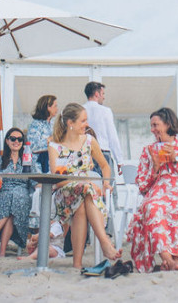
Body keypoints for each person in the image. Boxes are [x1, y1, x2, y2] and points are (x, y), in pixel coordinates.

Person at [127, 108, 178, 272]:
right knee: (152, 208)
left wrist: (176, 158)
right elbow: (142, 185)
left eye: (155, 125)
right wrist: (155, 168)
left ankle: (175, 260)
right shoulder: (148, 150)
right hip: (159, 190)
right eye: (151, 126)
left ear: (168, 124)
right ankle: (169, 259)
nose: (152, 130)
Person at [49, 102, 122, 269]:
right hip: (64, 194)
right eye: (83, 121)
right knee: (87, 189)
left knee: (82, 207)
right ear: (70, 123)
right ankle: (105, 242)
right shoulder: (55, 146)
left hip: (85, 193)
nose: (87, 125)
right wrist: (84, 182)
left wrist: (105, 183)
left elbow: (105, 165)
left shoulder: (89, 141)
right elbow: (57, 179)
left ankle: (77, 264)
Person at [0, 127, 40, 255]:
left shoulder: (28, 160)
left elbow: (36, 182)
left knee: (15, 197)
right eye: (13, 139)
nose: (16, 141)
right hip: (3, 194)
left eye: (20, 139)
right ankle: (2, 252)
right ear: (7, 141)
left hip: (22, 195)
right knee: (10, 201)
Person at [83, 82, 124, 176]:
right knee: (107, 187)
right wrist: (119, 160)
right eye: (103, 94)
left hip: (85, 154)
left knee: (90, 186)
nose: (104, 97)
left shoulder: (80, 110)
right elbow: (112, 136)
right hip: (103, 154)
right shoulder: (105, 111)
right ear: (97, 94)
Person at [28, 94, 57, 173]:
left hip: (51, 164)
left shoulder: (53, 123)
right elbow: (33, 146)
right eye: (55, 106)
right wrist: (50, 140)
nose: (57, 109)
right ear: (48, 107)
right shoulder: (36, 124)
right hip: (38, 167)